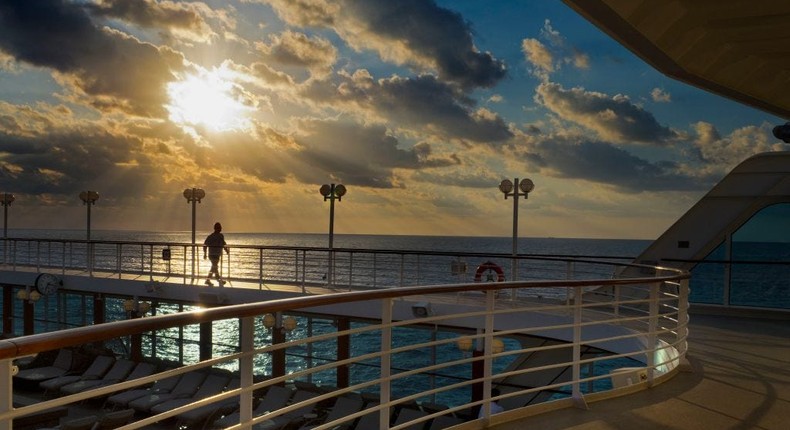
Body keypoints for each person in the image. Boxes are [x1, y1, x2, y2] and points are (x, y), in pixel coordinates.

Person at [203, 222, 229, 286]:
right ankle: (215, 280)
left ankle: (213, 279)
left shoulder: (221, 236)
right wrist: (205, 254)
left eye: (220, 227)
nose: (220, 229)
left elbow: (223, 244)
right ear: (215, 228)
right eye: (219, 227)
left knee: (214, 267)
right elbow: (205, 245)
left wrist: (226, 250)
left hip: (217, 254)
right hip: (212, 254)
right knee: (214, 266)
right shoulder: (211, 236)